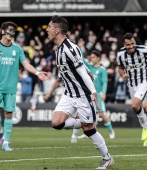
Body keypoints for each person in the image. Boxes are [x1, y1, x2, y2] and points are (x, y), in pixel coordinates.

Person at [46, 15, 114, 169]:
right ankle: (86, 122)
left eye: (49, 27)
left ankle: (107, 158)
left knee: (89, 130)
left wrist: (93, 92)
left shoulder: (71, 48)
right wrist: (88, 70)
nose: (47, 30)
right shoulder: (58, 51)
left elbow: (81, 71)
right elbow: (80, 65)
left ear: (57, 30)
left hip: (83, 95)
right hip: (69, 94)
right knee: (56, 123)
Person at [0, 21, 48, 151]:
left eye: (13, 31)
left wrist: (38, 72)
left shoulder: (17, 49)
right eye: (9, 30)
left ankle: (5, 143)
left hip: (10, 87)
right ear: (2, 31)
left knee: (9, 114)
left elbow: (26, 64)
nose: (11, 33)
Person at [73, 50, 115, 141]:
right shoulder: (89, 67)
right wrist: (80, 48)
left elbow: (105, 82)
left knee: (101, 114)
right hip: (89, 94)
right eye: (91, 57)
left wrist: (103, 92)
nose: (91, 59)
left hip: (98, 94)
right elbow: (82, 60)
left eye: (93, 57)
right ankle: (89, 133)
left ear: (98, 58)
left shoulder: (102, 70)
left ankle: (111, 131)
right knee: (88, 113)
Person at [117, 32, 147, 146]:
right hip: (131, 84)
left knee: (134, 105)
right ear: (124, 45)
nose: (131, 46)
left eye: (133, 43)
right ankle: (145, 129)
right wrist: (122, 74)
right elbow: (120, 68)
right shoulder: (120, 54)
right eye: (128, 45)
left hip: (144, 82)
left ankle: (145, 129)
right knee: (138, 107)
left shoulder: (144, 50)